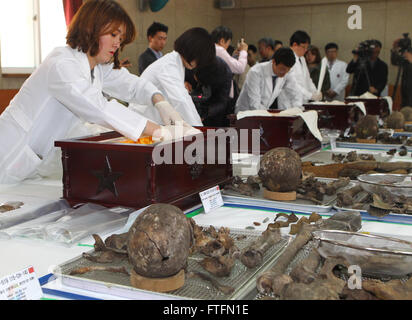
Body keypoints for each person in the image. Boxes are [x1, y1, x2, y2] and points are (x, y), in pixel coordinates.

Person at [0, 0, 194, 185]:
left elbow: (132, 85)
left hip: (33, 161)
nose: (117, 44)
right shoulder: (62, 64)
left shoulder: (97, 67)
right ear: (91, 28)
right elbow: (99, 108)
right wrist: (159, 131)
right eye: (113, 35)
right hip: (9, 152)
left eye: (121, 38)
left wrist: (160, 101)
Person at [138, 27, 216, 126]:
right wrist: (199, 130)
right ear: (193, 52)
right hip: (143, 121)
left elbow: (185, 99)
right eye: (199, 60)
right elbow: (180, 101)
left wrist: (199, 127)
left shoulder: (176, 63)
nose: (198, 65)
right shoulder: (168, 66)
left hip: (153, 121)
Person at [235, 47, 301, 112]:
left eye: (288, 70)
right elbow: (254, 104)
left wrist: (296, 110)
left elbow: (295, 92)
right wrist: (271, 114)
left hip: (264, 113)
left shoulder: (287, 72)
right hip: (246, 113)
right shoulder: (256, 72)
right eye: (282, 69)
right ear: (274, 61)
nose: (284, 73)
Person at [278, 30, 321, 108]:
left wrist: (315, 92)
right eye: (303, 47)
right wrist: (310, 95)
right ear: (295, 45)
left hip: (302, 102)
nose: (305, 50)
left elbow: (308, 79)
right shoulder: (286, 57)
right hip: (288, 103)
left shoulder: (302, 59)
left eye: (306, 48)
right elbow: (292, 84)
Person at [186, 57, 232, 127]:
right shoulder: (194, 60)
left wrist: (206, 113)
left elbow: (222, 102)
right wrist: (183, 82)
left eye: (200, 82)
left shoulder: (224, 74)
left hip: (213, 112)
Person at [391, 37, 412, 106]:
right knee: (405, 106)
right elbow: (394, 62)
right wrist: (394, 49)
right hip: (405, 87)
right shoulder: (408, 52)